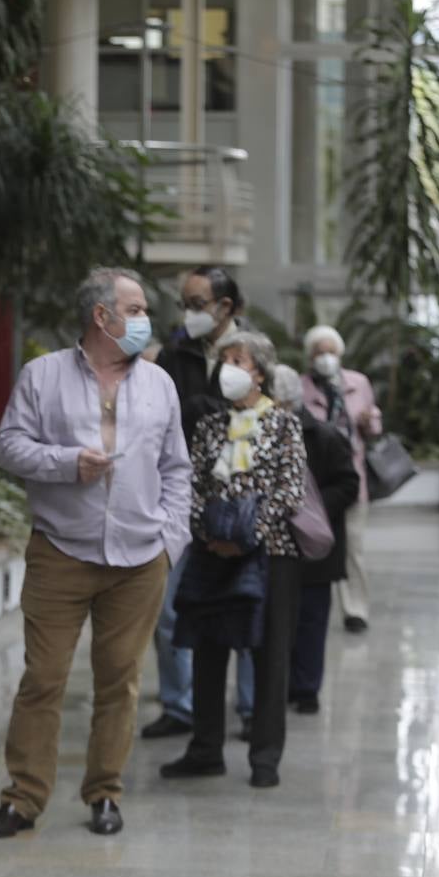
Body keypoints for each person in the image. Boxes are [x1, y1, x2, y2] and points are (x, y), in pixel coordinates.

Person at [0, 267, 192, 841]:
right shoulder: (42, 375)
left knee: (119, 682)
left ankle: (104, 792)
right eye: (137, 307)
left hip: (140, 559)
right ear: (102, 316)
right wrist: (66, 462)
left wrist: (171, 541)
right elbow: (7, 446)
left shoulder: (159, 383)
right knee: (43, 679)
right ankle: (23, 799)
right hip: (61, 552)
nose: (146, 318)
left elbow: (176, 468)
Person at [161, 331, 306, 789]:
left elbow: (290, 491)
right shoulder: (208, 425)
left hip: (270, 554)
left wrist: (247, 537)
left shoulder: (285, 425)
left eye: (238, 359)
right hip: (211, 551)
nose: (227, 367)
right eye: (223, 360)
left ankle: (265, 756)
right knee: (208, 648)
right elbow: (191, 486)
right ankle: (205, 749)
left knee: (268, 653)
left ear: (259, 372)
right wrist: (210, 534)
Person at [145, 266, 255, 740]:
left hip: (240, 500)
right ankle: (179, 705)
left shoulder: (255, 354)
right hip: (178, 499)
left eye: (197, 303)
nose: (188, 313)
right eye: (185, 303)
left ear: (225, 307)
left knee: (246, 599)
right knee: (166, 608)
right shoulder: (175, 352)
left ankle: (250, 707)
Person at [271, 365, 360, 714]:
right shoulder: (263, 433)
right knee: (279, 621)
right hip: (276, 545)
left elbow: (349, 484)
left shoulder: (324, 436)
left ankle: (306, 688)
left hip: (315, 548)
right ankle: (280, 684)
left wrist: (311, 509)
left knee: (311, 619)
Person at [300, 325, 382, 633]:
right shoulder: (301, 386)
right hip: (315, 485)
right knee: (316, 543)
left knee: (353, 548)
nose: (325, 358)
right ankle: (313, 600)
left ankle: (355, 609)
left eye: (330, 351)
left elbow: (375, 426)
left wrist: (369, 421)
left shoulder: (358, 383)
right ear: (310, 356)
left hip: (352, 480)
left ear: (340, 354)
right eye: (319, 352)